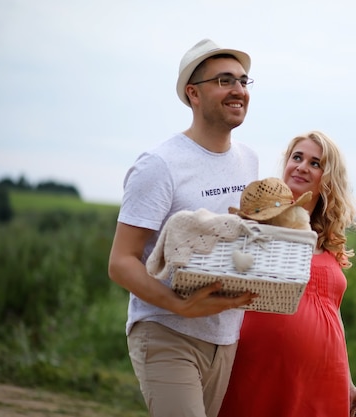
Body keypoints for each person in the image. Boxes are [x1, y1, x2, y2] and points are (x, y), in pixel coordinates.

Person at [107, 38, 259, 417]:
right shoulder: (160, 164)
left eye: (243, 81)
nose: (238, 90)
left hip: (225, 338)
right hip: (166, 331)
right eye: (224, 80)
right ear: (193, 93)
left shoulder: (249, 161)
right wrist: (180, 306)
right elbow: (121, 261)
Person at [219, 130, 356, 416]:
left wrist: (348, 382)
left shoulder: (328, 240)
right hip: (261, 366)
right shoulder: (257, 224)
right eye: (297, 157)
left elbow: (332, 313)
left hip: (326, 375)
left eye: (315, 163)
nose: (302, 166)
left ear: (328, 178)